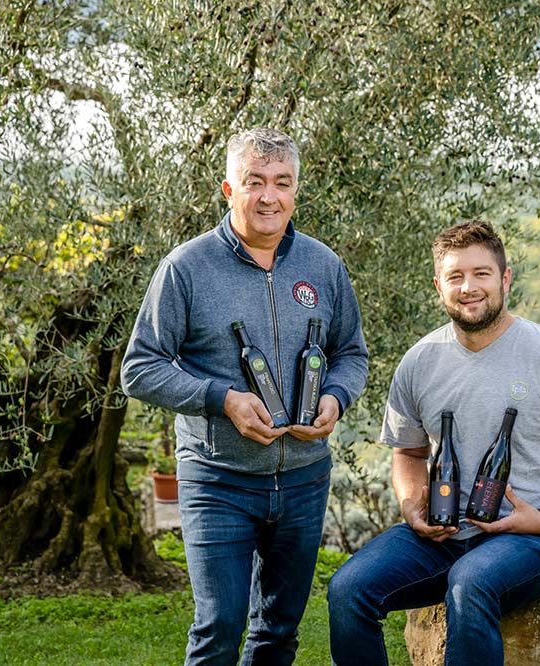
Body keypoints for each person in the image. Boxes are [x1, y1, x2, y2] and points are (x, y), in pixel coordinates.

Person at [121, 127, 368, 665]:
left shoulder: (323, 266)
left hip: (304, 477)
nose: (268, 196)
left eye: (281, 183)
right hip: (218, 479)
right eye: (254, 182)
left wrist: (336, 399)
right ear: (229, 190)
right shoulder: (185, 268)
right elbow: (139, 368)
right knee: (220, 627)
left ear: (295, 192)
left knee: (279, 631)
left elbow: (351, 354)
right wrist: (221, 399)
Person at [327, 220, 540, 665]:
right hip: (442, 537)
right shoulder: (420, 362)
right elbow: (408, 452)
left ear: (505, 278)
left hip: (532, 542)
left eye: (482, 273)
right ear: (438, 285)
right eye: (455, 277)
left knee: (470, 581)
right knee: (348, 590)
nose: (469, 287)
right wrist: (411, 507)